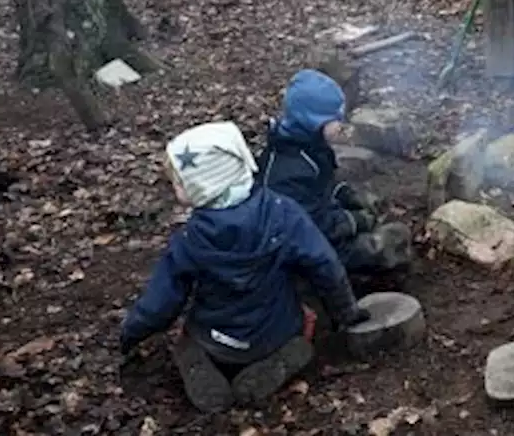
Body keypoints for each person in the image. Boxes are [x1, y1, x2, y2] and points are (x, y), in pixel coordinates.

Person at [119, 121, 369, 413]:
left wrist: (130, 333)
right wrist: (347, 312)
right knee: (303, 322)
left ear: (204, 184)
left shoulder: (188, 241)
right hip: (277, 333)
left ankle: (201, 369)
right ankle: (286, 356)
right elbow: (325, 265)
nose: (174, 187)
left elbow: (160, 305)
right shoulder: (283, 211)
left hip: (216, 342)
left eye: (179, 181)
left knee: (186, 342)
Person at [258, 69, 412, 274]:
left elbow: (324, 185)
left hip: (319, 227)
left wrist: (348, 195)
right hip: (302, 252)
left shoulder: (310, 144)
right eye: (335, 119)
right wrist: (356, 221)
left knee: (382, 223)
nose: (341, 124)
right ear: (313, 121)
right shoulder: (288, 173)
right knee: (391, 239)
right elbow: (312, 226)